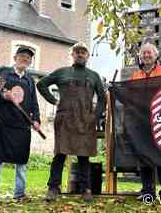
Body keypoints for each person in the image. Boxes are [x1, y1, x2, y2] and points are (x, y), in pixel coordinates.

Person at [36, 42, 106, 203]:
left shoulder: (93, 76)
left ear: (87, 56)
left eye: (83, 52)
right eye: (77, 52)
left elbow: (102, 98)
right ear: (72, 55)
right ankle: (53, 188)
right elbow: (41, 84)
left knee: (83, 156)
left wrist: (95, 116)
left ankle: (86, 189)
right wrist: (54, 101)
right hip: (65, 119)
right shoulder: (62, 72)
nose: (80, 54)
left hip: (85, 120)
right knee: (60, 154)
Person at [0, 46, 41, 206]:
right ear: (15, 57)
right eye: (22, 56)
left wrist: (36, 120)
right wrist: (2, 95)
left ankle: (20, 194)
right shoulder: (3, 71)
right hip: (1, 124)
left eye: (28, 58)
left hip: (22, 126)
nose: (25, 59)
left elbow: (34, 104)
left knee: (22, 161)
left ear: (30, 62)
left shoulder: (30, 80)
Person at [130, 43, 161, 199]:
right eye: (143, 53)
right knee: (145, 156)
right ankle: (147, 191)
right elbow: (131, 97)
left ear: (156, 55)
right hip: (142, 122)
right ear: (140, 57)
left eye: (149, 53)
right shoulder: (135, 75)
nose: (146, 55)